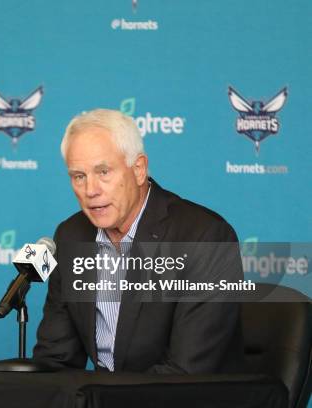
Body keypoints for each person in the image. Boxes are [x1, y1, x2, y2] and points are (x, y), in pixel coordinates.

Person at [33, 109, 244, 373]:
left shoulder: (205, 238)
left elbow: (186, 373)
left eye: (103, 172)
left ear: (139, 169)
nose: (90, 190)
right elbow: (56, 358)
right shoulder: (70, 236)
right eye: (79, 176)